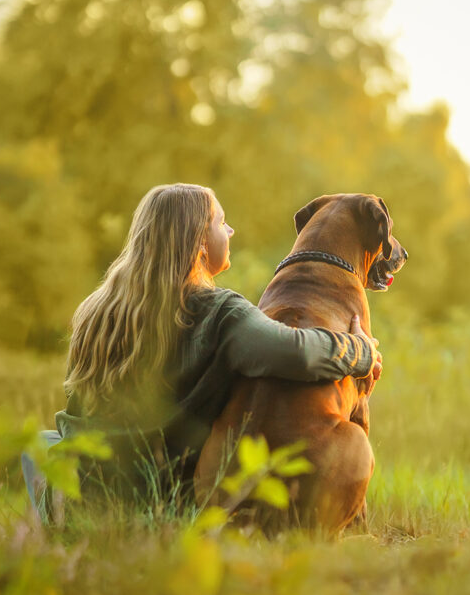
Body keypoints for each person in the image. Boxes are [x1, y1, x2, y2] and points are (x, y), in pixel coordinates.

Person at [29, 183, 381, 518]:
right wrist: (361, 350)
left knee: (47, 440)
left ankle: (57, 511)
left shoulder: (95, 310)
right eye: (221, 223)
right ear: (199, 241)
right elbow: (295, 353)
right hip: (155, 502)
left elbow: (77, 404)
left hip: (80, 488)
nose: (230, 231)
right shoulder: (221, 313)